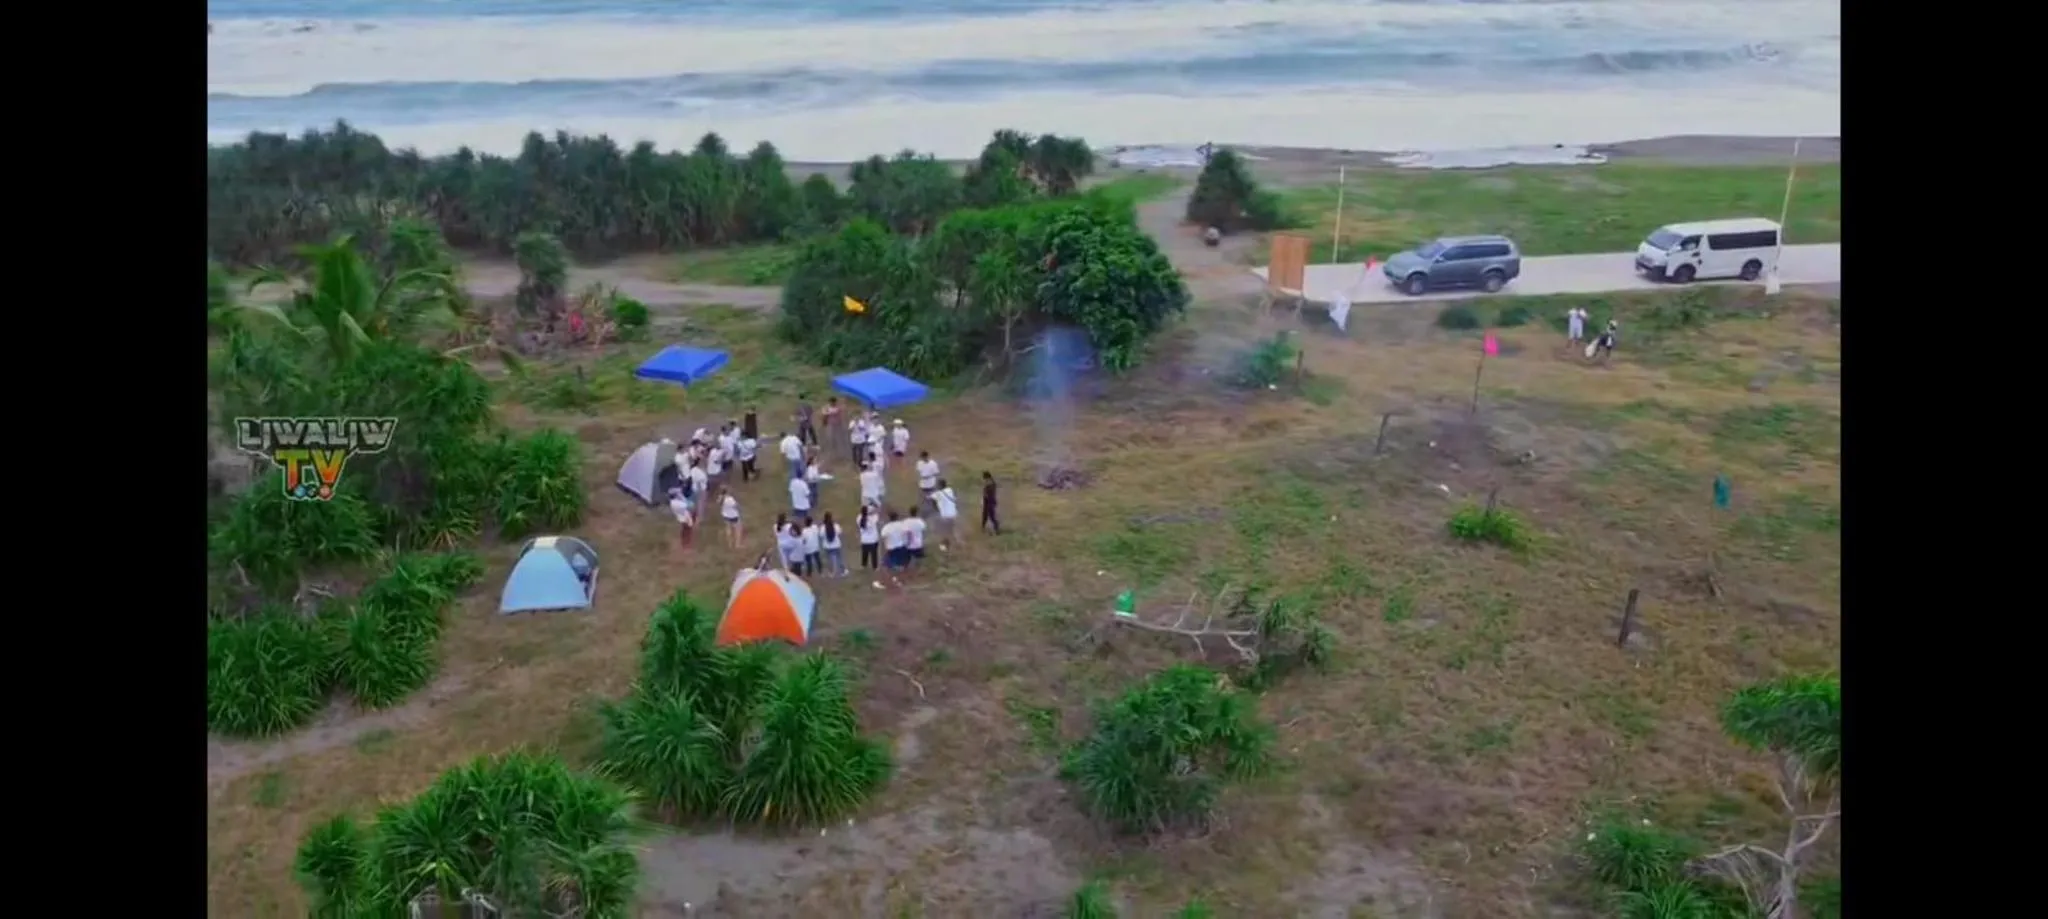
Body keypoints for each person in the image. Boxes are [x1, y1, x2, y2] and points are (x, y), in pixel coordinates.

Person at [880, 509, 910, 584]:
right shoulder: (902, 525)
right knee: (902, 565)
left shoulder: (886, 528)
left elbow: (884, 539)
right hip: (902, 547)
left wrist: (883, 550)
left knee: (885, 565)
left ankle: (890, 580)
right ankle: (901, 580)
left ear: (889, 518)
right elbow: (908, 533)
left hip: (891, 549)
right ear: (897, 517)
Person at [931, 477, 960, 550]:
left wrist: (937, 508)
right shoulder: (950, 490)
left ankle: (945, 547)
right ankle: (957, 543)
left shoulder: (938, 493)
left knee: (944, 532)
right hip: (954, 514)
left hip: (945, 516)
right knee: (952, 530)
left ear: (940, 485)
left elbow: (932, 500)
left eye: (937, 485)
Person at [903, 506, 929, 572]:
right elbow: (924, 532)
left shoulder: (906, 522)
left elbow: (905, 532)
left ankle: (908, 571)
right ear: (917, 513)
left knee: (907, 561)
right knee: (920, 560)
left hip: (908, 545)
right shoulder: (920, 522)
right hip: (918, 544)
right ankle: (919, 571)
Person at [856, 505, 881, 571]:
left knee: (864, 553)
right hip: (873, 540)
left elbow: (863, 514)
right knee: (874, 554)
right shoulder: (873, 518)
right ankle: (875, 567)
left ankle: (863, 565)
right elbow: (876, 513)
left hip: (864, 540)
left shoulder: (859, 518)